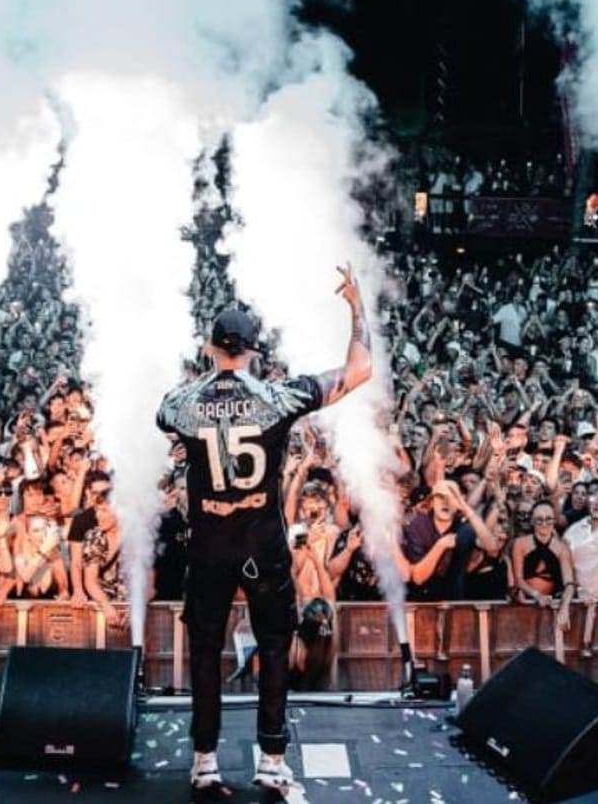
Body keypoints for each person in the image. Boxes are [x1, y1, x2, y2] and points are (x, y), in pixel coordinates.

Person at [157, 266, 371, 796]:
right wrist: (356, 307)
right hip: (262, 543)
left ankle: (204, 762)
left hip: (209, 544)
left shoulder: (180, 403)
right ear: (254, 350)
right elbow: (360, 369)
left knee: (205, 651)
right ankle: (272, 761)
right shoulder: (278, 397)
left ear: (210, 347)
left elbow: (164, 419)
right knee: (275, 646)